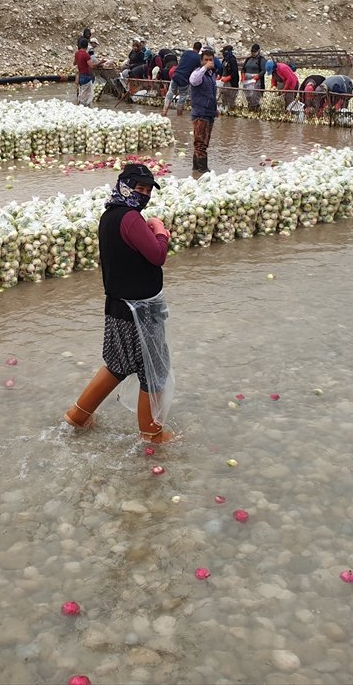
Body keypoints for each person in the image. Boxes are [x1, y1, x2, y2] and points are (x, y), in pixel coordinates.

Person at [64, 163, 174, 443]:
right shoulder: (130, 219)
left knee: (118, 364)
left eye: (149, 189)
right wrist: (160, 231)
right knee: (154, 369)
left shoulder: (109, 216)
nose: (145, 194)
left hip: (118, 305)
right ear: (124, 185)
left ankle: (77, 416)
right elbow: (157, 255)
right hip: (140, 310)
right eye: (139, 188)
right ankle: (152, 433)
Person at [189, 47, 219, 173]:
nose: (208, 62)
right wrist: (204, 68)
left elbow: (211, 94)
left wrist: (215, 109)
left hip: (209, 112)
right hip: (200, 113)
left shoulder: (211, 75)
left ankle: (196, 169)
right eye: (206, 60)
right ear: (201, 61)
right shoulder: (198, 73)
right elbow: (193, 81)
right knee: (200, 143)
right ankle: (203, 170)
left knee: (203, 143)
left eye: (210, 60)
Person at [165, 41, 202, 117]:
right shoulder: (198, 58)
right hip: (184, 79)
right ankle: (179, 115)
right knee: (182, 96)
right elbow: (197, 70)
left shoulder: (186, 53)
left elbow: (181, 63)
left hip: (176, 75)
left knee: (170, 92)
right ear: (199, 49)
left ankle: (164, 111)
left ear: (193, 46)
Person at [241, 44, 268, 110]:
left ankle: (256, 109)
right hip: (247, 82)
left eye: (254, 51)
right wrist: (242, 76)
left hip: (256, 82)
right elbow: (243, 68)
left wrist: (257, 77)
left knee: (255, 96)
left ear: (258, 51)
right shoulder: (248, 59)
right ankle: (249, 108)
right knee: (248, 96)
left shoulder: (261, 60)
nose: (253, 53)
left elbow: (264, 70)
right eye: (252, 51)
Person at [73, 36, 95, 106]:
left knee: (81, 92)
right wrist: (100, 62)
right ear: (87, 46)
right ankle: (81, 107)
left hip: (80, 76)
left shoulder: (77, 53)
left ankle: (79, 105)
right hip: (86, 76)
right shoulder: (86, 55)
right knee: (87, 95)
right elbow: (91, 66)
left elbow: (74, 63)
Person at [218, 45, 240, 111]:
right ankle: (224, 111)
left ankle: (230, 111)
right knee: (224, 98)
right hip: (224, 81)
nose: (223, 54)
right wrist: (219, 75)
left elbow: (235, 72)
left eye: (224, 52)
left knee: (230, 99)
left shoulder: (232, 60)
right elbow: (222, 69)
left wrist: (228, 78)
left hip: (231, 82)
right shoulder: (224, 60)